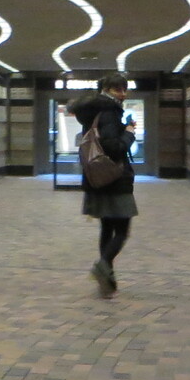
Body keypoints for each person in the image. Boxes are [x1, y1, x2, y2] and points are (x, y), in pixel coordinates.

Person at [71, 74, 137, 296]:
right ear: (105, 90)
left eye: (124, 89)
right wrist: (129, 134)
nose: (122, 94)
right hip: (115, 179)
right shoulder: (109, 112)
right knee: (122, 231)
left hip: (97, 179)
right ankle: (103, 266)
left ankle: (108, 278)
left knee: (107, 228)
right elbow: (114, 148)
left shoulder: (93, 112)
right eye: (117, 89)